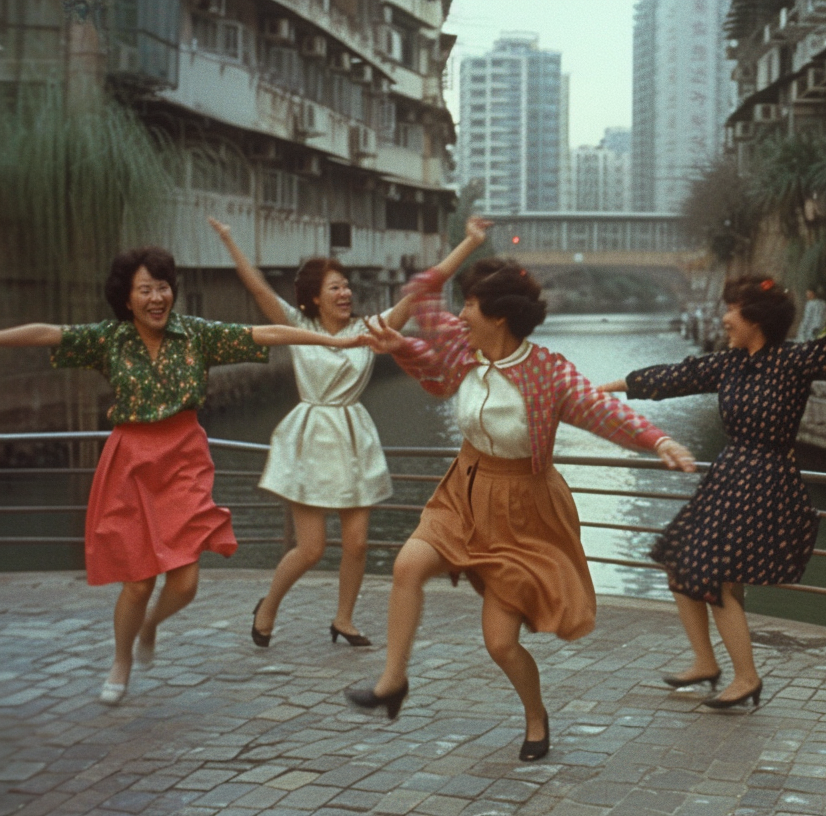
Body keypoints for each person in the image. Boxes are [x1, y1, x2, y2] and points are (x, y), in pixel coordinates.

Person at [344, 256, 695, 763]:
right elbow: (432, 347)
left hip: (521, 512)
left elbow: (603, 411)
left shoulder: (548, 373)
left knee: (500, 644)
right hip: (463, 491)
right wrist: (402, 339)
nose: (459, 314)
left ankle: (536, 715)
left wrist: (656, 438)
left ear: (499, 316)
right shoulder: (465, 351)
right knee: (407, 565)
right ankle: (391, 682)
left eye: (468, 304)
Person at [0, 246, 381, 705]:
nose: (157, 297)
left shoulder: (196, 335)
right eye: (146, 289)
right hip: (131, 461)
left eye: (163, 287)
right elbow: (50, 333)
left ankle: (150, 626)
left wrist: (332, 342)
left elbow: (266, 333)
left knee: (184, 583)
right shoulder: (110, 339)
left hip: (182, 459)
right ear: (127, 298)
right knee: (138, 581)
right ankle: (122, 658)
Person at [597, 264, 826, 709]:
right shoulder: (729, 364)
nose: (723, 318)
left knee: (716, 579)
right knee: (678, 562)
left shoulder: (791, 362)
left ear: (755, 320)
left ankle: (746, 677)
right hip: (729, 477)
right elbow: (674, 376)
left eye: (731, 310)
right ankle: (706, 663)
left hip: (767, 480)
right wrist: (602, 391)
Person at [207, 216, 487, 648]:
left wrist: (468, 243)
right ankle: (267, 608)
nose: (345, 293)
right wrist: (229, 240)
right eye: (335, 287)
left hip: (353, 434)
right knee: (311, 548)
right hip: (311, 435)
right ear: (314, 297)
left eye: (347, 286)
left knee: (357, 544)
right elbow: (259, 288)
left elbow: (420, 291)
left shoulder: (369, 328)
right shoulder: (299, 329)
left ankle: (344, 619)